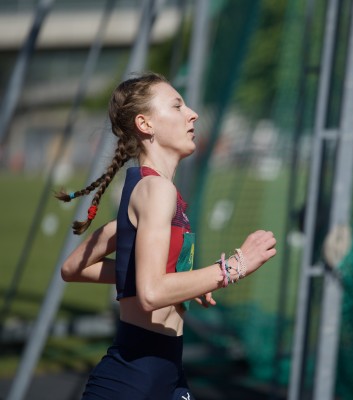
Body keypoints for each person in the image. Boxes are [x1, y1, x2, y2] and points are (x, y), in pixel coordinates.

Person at [55, 72, 277, 399]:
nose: (193, 114)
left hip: (164, 371)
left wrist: (184, 277)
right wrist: (234, 266)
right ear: (146, 124)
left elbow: (73, 267)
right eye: (177, 106)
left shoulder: (147, 188)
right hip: (133, 379)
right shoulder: (157, 190)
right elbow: (151, 292)